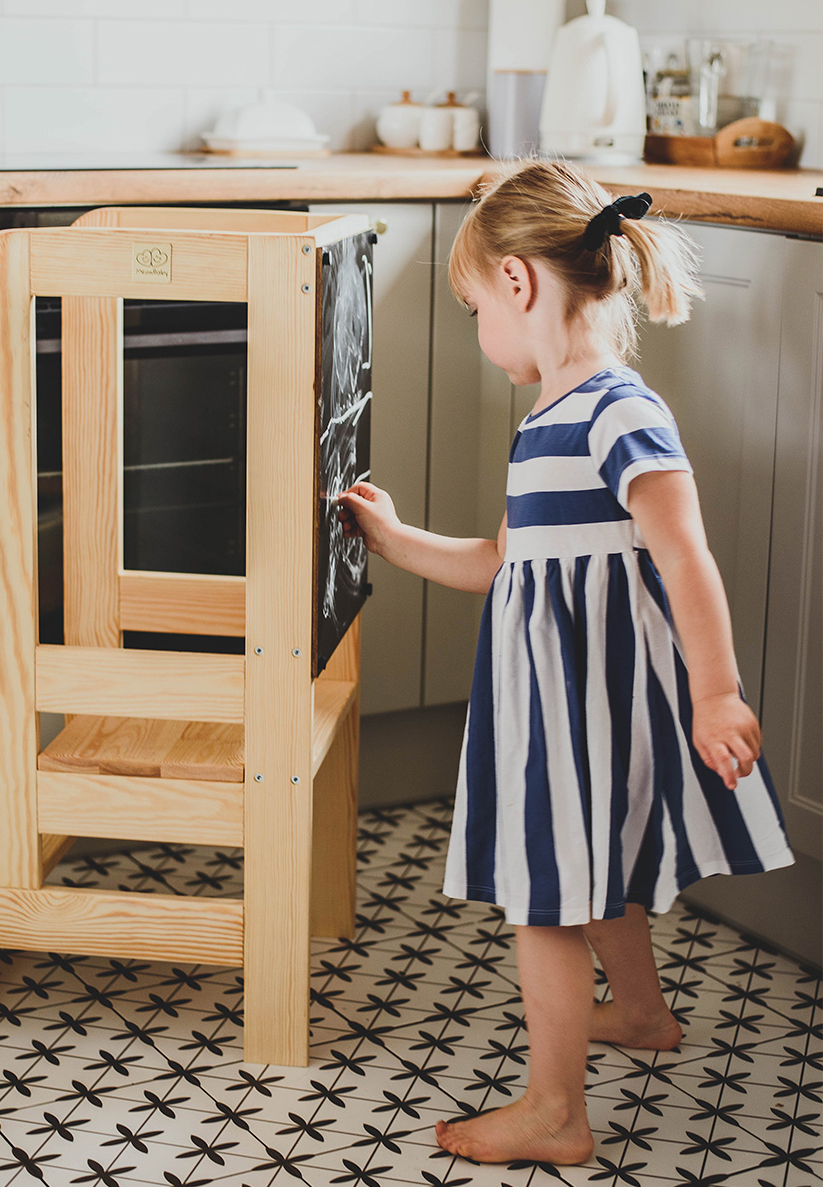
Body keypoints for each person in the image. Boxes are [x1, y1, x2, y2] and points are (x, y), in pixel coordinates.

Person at [336, 160, 794, 1166]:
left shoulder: (617, 411)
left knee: (544, 897)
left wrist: (717, 694)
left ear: (517, 281)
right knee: (593, 871)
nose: (476, 329)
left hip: (588, 705)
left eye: (471, 308)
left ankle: (555, 1112)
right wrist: (395, 539)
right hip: (561, 703)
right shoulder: (549, 418)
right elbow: (504, 564)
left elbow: (685, 552)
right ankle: (641, 1014)